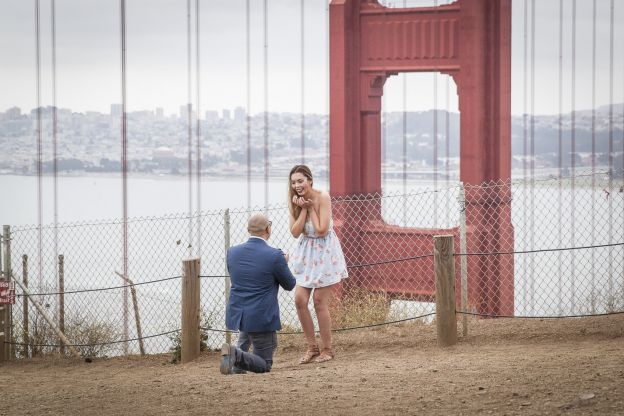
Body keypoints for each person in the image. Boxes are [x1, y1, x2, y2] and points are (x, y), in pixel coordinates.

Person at [220, 213, 296, 375]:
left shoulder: (232, 252)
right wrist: (284, 263)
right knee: (264, 364)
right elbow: (289, 284)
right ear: (268, 229)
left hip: (239, 312)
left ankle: (235, 362)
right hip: (261, 316)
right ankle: (234, 355)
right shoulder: (275, 256)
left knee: (247, 332)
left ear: (248, 230)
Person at [288, 164, 348, 364]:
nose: (297, 185)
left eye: (300, 181)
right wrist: (303, 210)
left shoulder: (323, 197)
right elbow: (295, 232)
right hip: (306, 255)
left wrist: (310, 207)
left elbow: (322, 229)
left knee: (319, 302)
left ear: (310, 180)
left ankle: (327, 349)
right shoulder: (294, 201)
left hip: (325, 254)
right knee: (299, 300)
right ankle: (312, 347)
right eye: (294, 182)